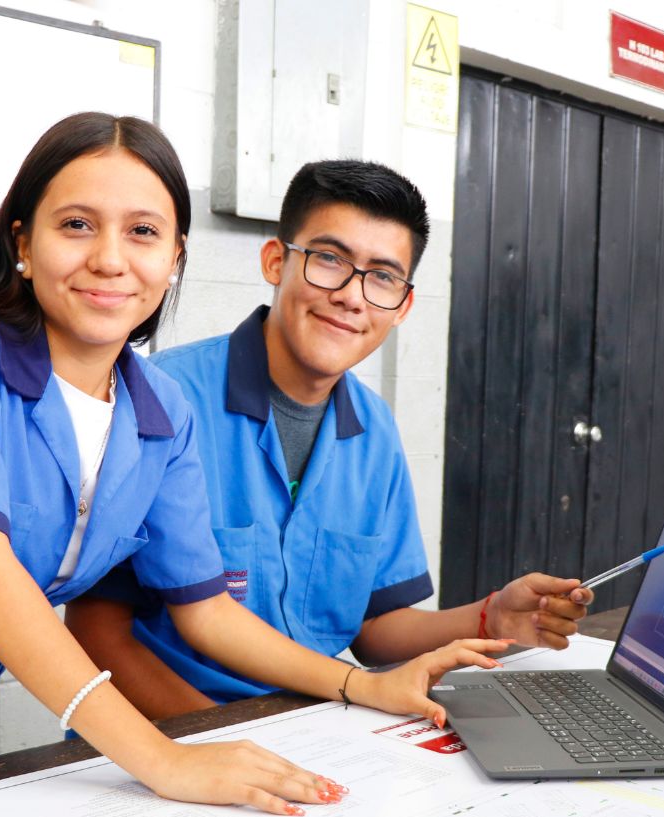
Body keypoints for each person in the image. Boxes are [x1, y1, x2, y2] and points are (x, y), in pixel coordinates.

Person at [0, 115, 506, 815]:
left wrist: (362, 684)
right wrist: (163, 757)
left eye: (141, 233)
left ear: (174, 260)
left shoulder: (161, 413)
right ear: (23, 243)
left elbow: (206, 610)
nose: (108, 259)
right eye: (75, 225)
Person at [66, 160, 593, 720]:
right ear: (276, 261)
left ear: (403, 305)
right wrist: (219, 743)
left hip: (319, 730)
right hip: (172, 737)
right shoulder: (164, 398)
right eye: (329, 260)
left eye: (384, 277)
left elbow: (372, 628)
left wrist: (490, 616)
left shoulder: (374, 431)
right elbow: (98, 630)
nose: (351, 295)